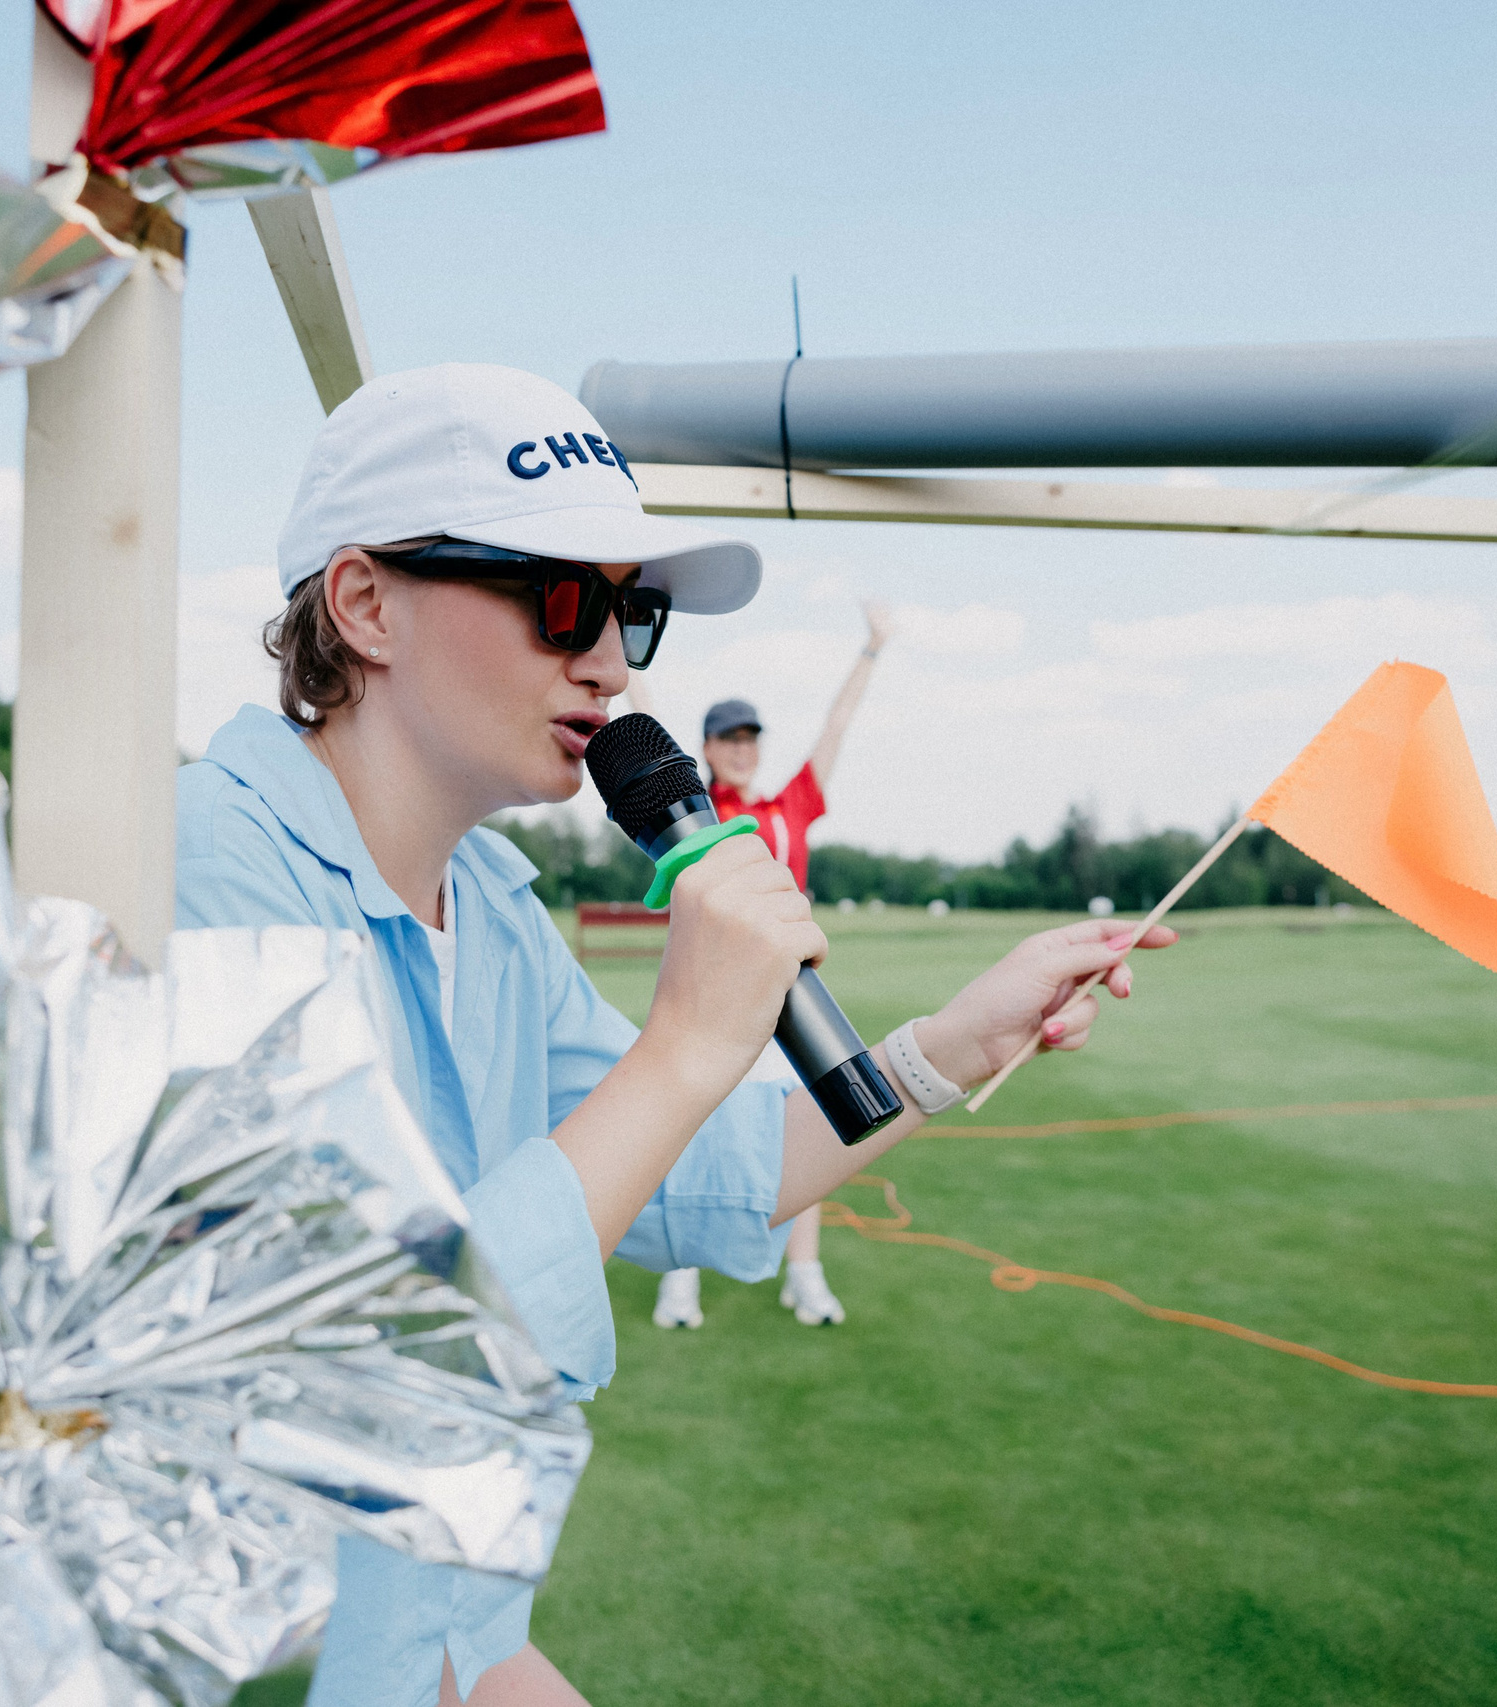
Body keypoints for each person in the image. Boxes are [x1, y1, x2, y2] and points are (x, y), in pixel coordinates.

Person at [176, 363, 1174, 1707]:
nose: (606, 658)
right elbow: (371, 1350)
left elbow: (707, 1175)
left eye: (631, 611)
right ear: (364, 605)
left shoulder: (491, 907)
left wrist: (948, 1044)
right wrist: (688, 1038)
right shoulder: (195, 871)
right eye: (562, 600)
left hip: (445, 1641)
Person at [651, 608, 893, 1331]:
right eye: (729, 738)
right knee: (692, 1127)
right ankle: (680, 1278)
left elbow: (835, 729)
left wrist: (871, 649)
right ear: (707, 747)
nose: (742, 749)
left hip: (792, 995)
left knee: (806, 1132)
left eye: (750, 737)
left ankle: (805, 1276)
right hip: (716, 991)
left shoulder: (788, 808)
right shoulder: (699, 808)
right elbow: (643, 714)